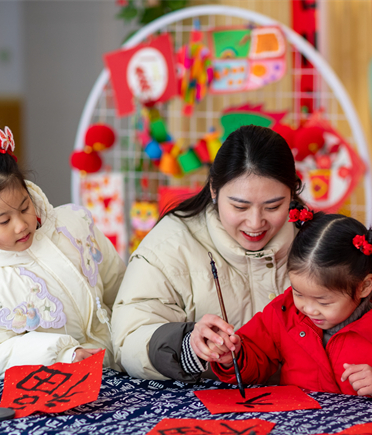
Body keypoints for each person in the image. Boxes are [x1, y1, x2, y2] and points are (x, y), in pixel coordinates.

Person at [0, 120, 124, 379]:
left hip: (121, 357)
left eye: (25, 207)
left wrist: (131, 330)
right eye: (4, 221)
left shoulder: (74, 226)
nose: (21, 225)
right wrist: (63, 354)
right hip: (67, 379)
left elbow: (118, 283)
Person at [113, 125, 299, 382]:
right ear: (214, 189)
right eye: (240, 207)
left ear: (292, 193)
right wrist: (187, 346)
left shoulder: (317, 238)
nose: (255, 223)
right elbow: (128, 340)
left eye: (273, 206)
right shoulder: (170, 245)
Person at [207, 209, 372, 401]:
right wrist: (232, 355)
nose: (308, 309)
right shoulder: (285, 312)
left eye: (323, 301)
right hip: (298, 434)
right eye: (298, 293)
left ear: (364, 286)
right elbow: (256, 358)